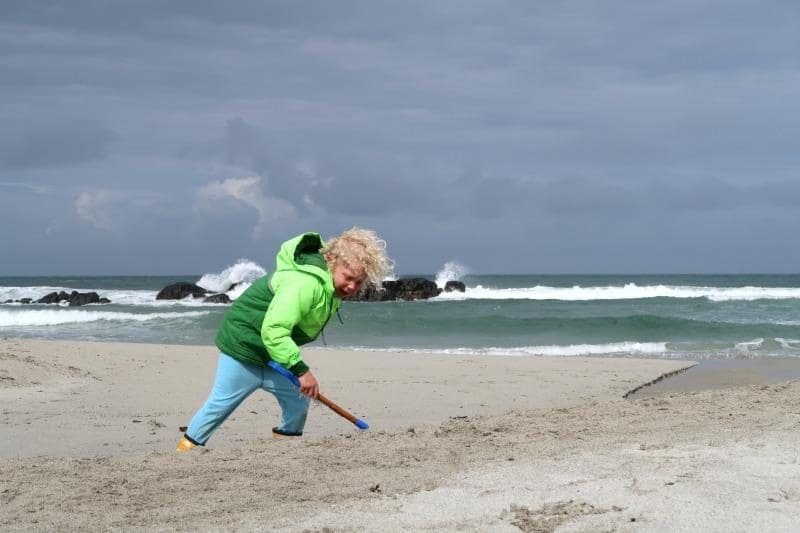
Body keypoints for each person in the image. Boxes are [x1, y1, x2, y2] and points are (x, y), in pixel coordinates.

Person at [176, 227, 392, 451]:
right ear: (331, 262)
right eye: (348, 278)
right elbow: (275, 330)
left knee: (297, 400)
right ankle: (185, 452)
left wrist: (294, 368)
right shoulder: (305, 284)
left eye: (359, 282)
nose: (352, 287)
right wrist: (301, 370)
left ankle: (284, 452)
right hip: (243, 347)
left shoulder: (330, 289)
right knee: (220, 405)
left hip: (271, 354)